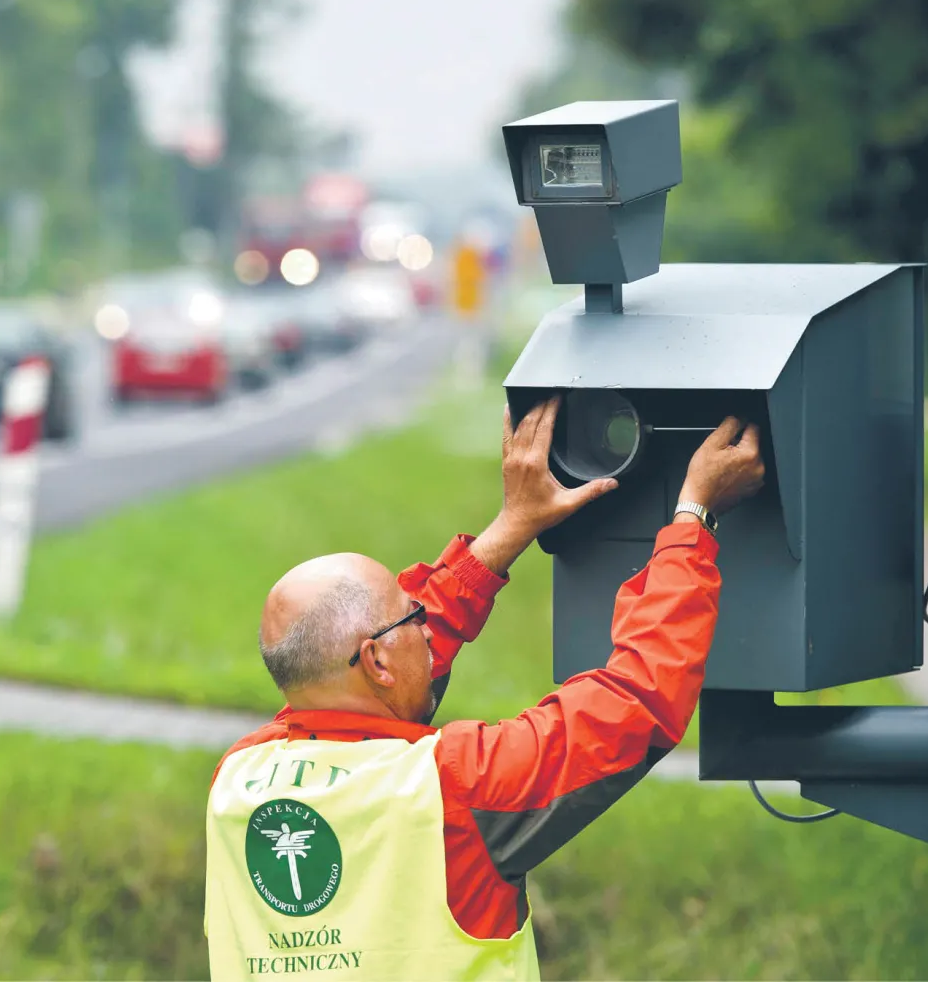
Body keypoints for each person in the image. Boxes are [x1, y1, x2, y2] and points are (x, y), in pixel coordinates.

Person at [205, 398, 765, 981]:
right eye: (412, 617)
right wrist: (693, 517)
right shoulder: (452, 788)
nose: (426, 624)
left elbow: (362, 682)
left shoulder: (238, 778)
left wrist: (512, 526)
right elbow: (635, 701)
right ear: (375, 660)